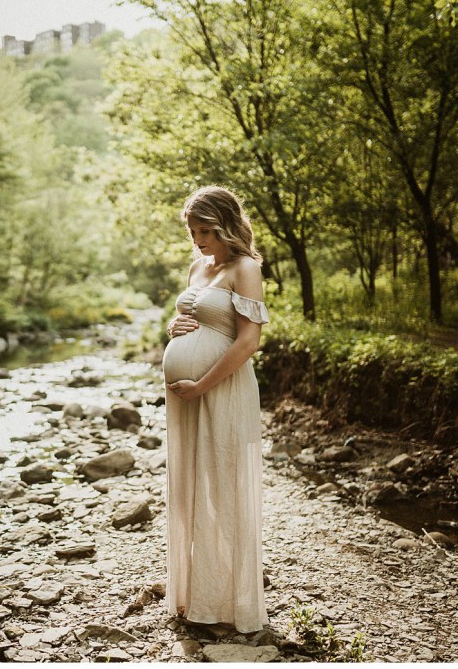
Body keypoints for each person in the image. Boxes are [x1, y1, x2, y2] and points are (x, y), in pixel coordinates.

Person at [161, 185, 270, 632]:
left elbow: (248, 340)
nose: (199, 239)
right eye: (192, 231)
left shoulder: (245, 268)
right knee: (189, 487)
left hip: (221, 390)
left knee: (223, 491)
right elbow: (197, 319)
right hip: (186, 394)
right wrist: (173, 326)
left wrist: (202, 384)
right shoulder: (196, 267)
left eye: (205, 230)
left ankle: (228, 603)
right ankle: (194, 594)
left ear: (226, 224)